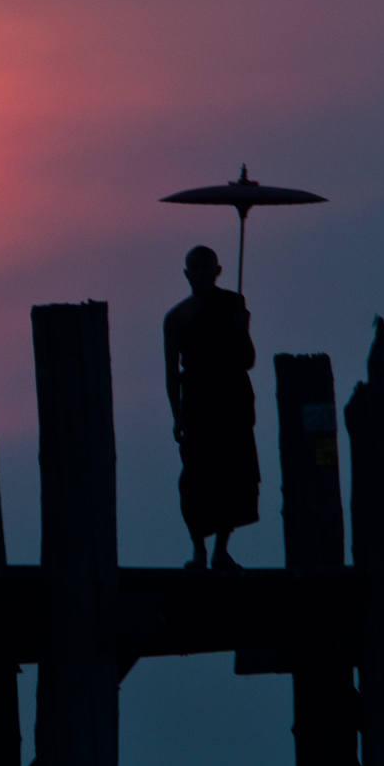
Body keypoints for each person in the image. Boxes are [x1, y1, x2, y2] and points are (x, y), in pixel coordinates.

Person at [164, 244, 258, 570]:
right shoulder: (176, 318)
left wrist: (240, 327)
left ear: (217, 272)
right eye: (196, 271)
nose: (202, 277)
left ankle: (220, 549)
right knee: (194, 480)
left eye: (208, 270)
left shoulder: (233, 305)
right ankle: (199, 549)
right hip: (197, 405)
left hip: (231, 401)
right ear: (187, 274)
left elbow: (247, 359)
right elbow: (171, 373)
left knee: (232, 475)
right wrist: (176, 415)